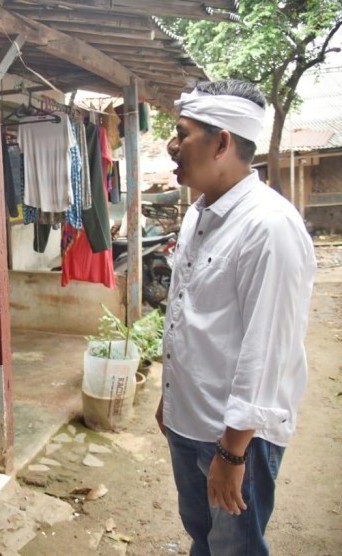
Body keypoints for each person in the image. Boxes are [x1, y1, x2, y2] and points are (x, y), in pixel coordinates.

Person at [156, 79, 316, 555]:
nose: (172, 144)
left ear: (221, 142)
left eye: (181, 133)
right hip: (189, 419)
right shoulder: (198, 214)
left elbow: (267, 351)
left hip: (234, 438)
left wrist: (232, 451)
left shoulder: (270, 227)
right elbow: (188, 315)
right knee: (201, 536)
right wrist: (171, 395)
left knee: (235, 548)